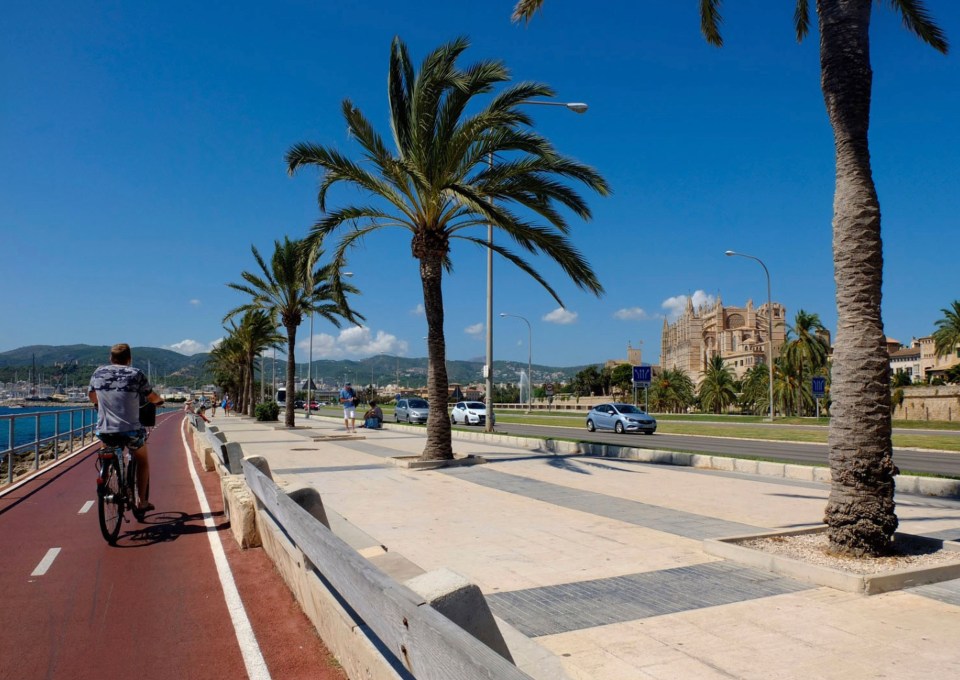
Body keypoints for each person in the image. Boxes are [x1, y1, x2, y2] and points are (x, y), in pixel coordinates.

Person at [88, 343, 164, 517]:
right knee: (142, 460)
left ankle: (105, 478)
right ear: (129, 359)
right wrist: (159, 402)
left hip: (105, 430)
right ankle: (143, 502)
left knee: (107, 449)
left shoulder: (98, 373)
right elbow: (151, 396)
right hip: (131, 431)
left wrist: (102, 404)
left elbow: (92, 397)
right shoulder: (136, 374)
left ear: (111, 358)